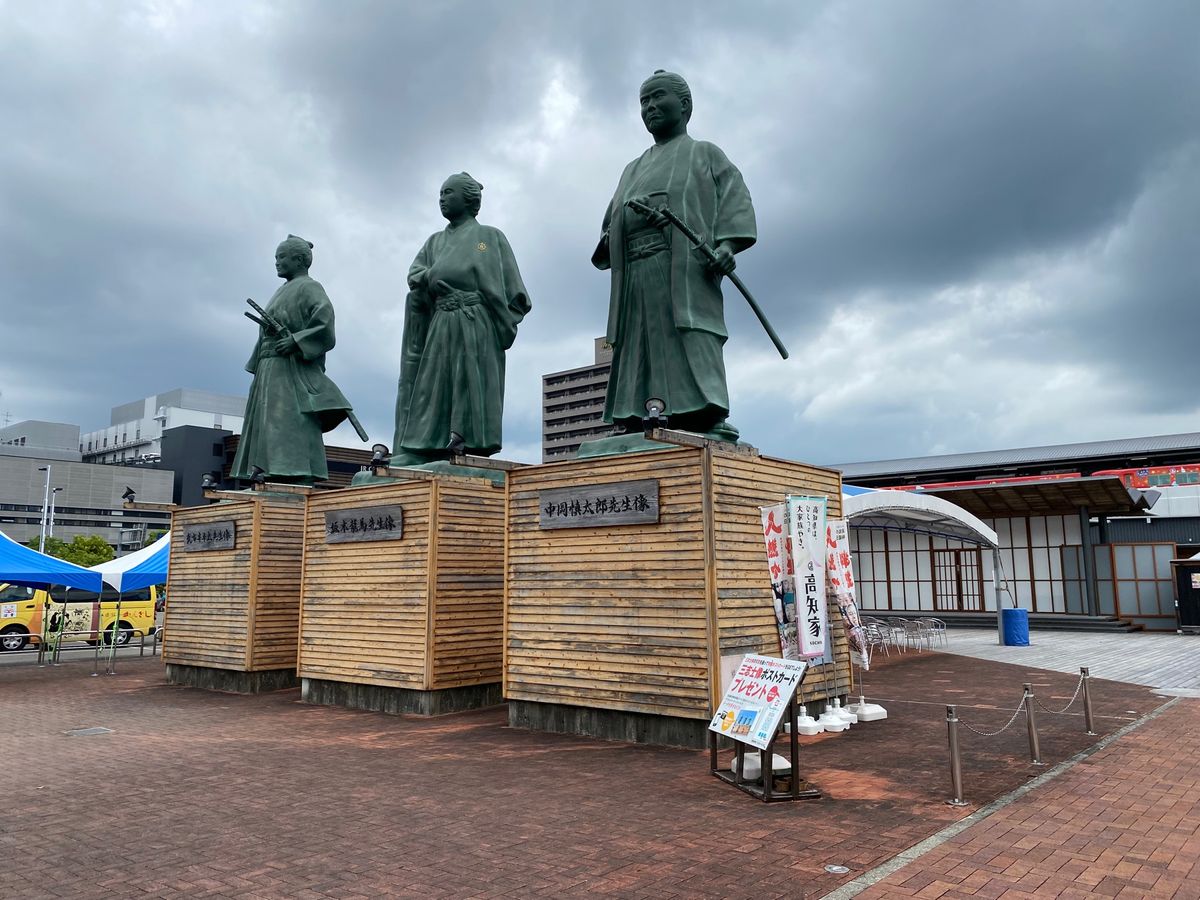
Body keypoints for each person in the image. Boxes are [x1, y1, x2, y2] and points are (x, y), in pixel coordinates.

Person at [592, 70, 756, 442]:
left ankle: (703, 413)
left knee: (689, 335)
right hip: (635, 271)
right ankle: (635, 415)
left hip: (683, 268)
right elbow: (609, 224)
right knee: (638, 343)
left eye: (657, 98)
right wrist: (623, 227)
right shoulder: (632, 168)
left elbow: (735, 203)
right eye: (643, 101)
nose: (649, 107)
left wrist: (727, 247)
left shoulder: (705, 154)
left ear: (684, 105)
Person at [391, 172, 531, 462]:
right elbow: (415, 275)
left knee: (469, 380)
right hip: (441, 319)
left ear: (468, 199)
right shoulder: (434, 242)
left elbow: (514, 291)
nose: (441, 199)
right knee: (433, 383)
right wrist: (431, 276)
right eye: (440, 194)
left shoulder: (489, 238)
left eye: (448, 193)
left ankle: (468, 439)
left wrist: (500, 321)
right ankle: (428, 443)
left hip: (475, 319)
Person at [231, 235, 358, 483]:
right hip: (269, 366)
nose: (277, 262)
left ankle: (293, 474)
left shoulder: (310, 287)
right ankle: (265, 471)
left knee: (287, 420)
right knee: (266, 422)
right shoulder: (281, 291)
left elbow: (324, 323)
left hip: (288, 366)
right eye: (276, 258)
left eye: (282, 257)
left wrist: (297, 340)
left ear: (299, 260)